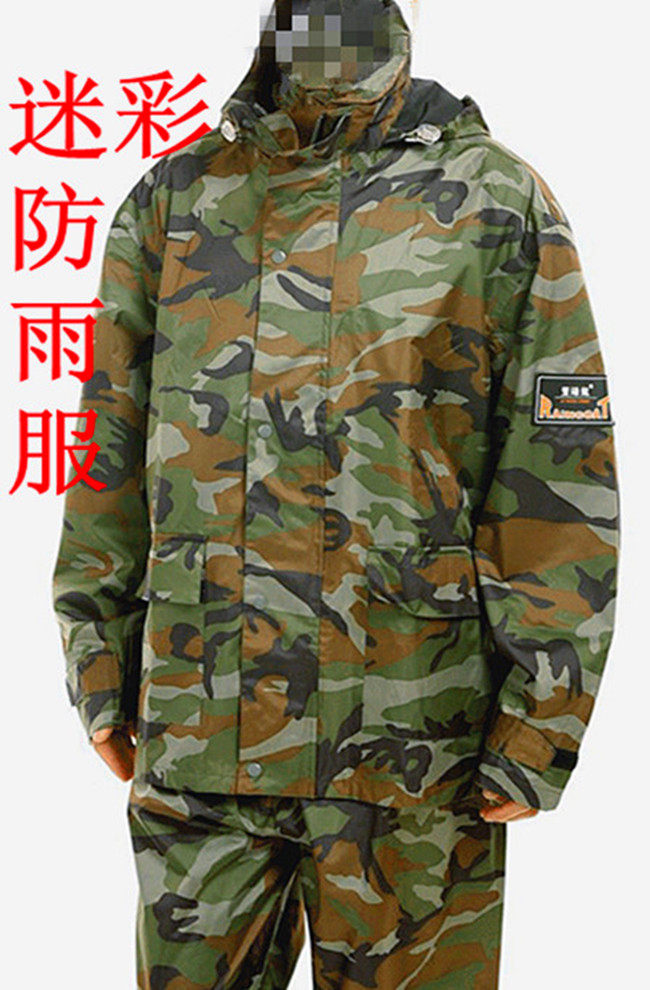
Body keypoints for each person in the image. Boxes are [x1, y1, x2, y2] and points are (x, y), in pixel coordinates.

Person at [51, 1, 619, 987]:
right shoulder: (175, 201)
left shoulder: (491, 202)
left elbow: (559, 469)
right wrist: (97, 660)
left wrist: (543, 716)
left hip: (410, 749)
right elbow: (109, 447)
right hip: (201, 738)